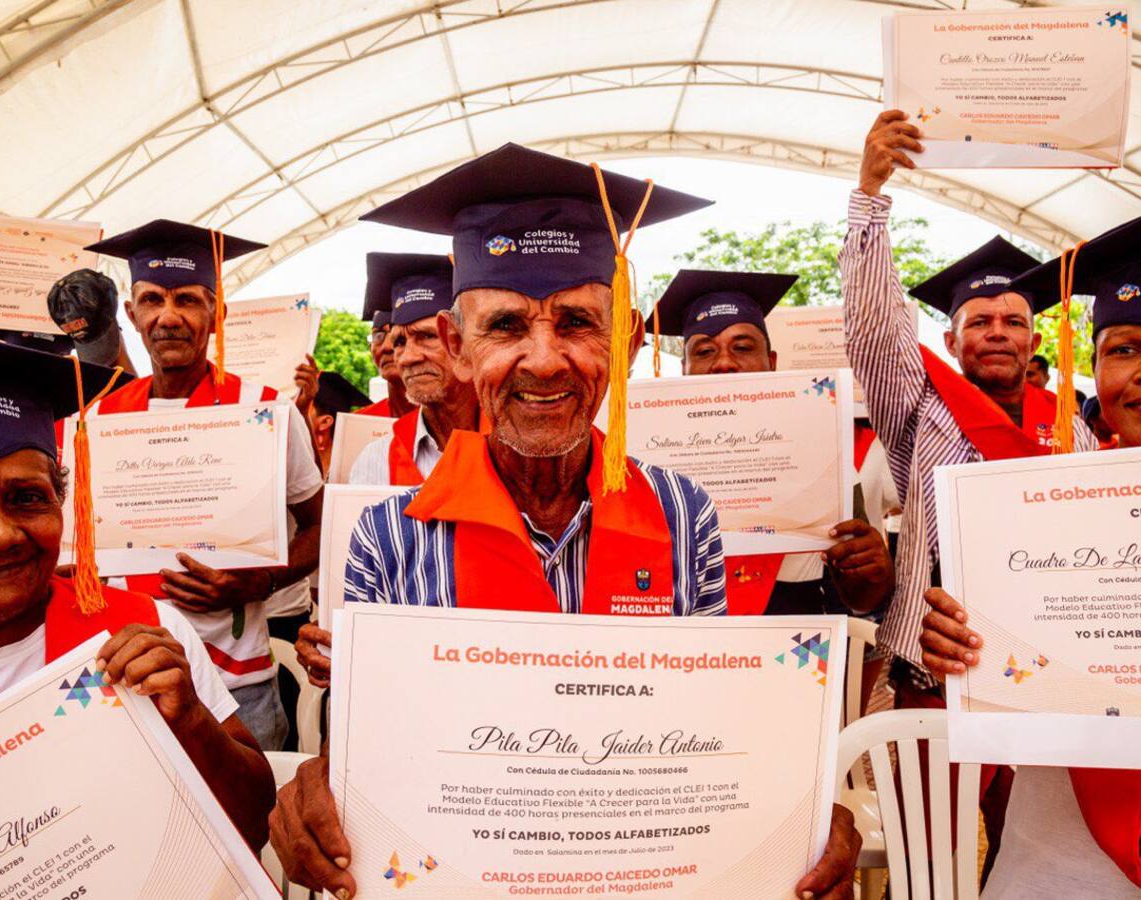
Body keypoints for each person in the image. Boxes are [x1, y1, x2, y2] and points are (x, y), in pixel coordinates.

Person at [269, 143, 861, 899]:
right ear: (456, 345)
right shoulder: (391, 538)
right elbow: (373, 750)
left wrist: (800, 809)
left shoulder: (683, 516)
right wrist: (322, 781)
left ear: (625, 341)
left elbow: (716, 725)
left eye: (578, 322)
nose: (544, 361)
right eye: (507, 326)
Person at [841, 109, 1097, 871]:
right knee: (930, 859)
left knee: (1030, 855)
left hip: (1043, 683)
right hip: (935, 675)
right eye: (978, 320)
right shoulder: (922, 411)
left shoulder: (1074, 431)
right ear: (952, 341)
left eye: (1012, 321)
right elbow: (873, 330)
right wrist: (870, 196)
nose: (996, 330)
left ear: (1033, 340)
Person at [0, 330, 274, 850]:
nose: (0, 533)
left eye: (28, 498)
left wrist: (189, 721)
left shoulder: (143, 629)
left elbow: (255, 824)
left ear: (63, 505)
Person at [919, 215, 1141, 897]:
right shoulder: (1061, 497)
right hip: (1066, 829)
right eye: (1125, 349)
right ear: (1094, 367)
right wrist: (966, 644)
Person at [79, 219, 325, 751]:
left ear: (217, 315)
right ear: (132, 314)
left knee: (248, 824)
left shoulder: (266, 409)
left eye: (187, 300)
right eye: (152, 300)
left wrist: (260, 582)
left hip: (239, 682)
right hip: (127, 678)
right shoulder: (97, 418)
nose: (168, 317)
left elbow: (320, 527)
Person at [648, 269, 896, 619]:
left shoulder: (825, 456)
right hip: (678, 641)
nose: (724, 363)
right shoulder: (651, 461)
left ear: (773, 363)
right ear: (684, 369)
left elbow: (862, 601)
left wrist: (871, 571)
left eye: (743, 347)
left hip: (794, 640)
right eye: (704, 351)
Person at [348, 252, 479, 485]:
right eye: (400, 342)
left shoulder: (515, 449)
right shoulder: (376, 463)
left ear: (463, 342)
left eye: (427, 336)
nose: (407, 358)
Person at [353, 309, 414, 418]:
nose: (387, 346)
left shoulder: (448, 423)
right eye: (378, 336)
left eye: (399, 336)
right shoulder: (360, 423)